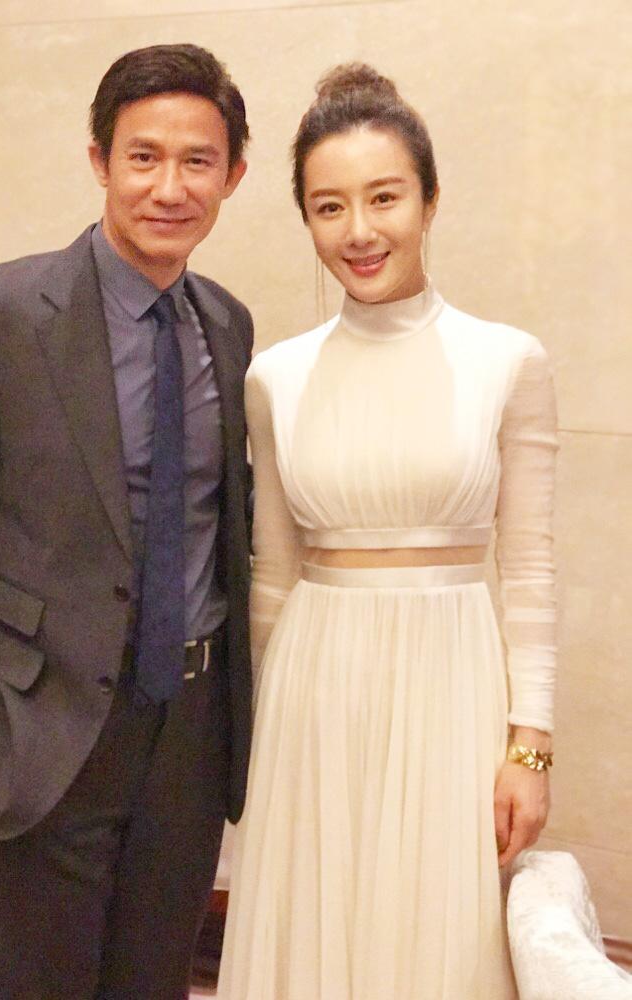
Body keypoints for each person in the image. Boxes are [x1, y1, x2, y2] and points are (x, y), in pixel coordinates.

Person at [0, 43, 253, 1000]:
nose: (169, 187)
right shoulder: (0, 311)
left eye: (198, 160)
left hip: (187, 735)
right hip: (40, 731)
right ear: (100, 160)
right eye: (144, 156)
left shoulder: (226, 324)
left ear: (233, 174)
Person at [218, 64, 558, 1000]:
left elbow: (530, 570)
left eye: (384, 198)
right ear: (306, 219)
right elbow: (272, 575)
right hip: (313, 692)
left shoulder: (508, 361)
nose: (359, 231)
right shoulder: (275, 377)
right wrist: (251, 745)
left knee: (436, 942)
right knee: (312, 934)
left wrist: (530, 747)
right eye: (329, 207)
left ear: (430, 200)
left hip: (455, 687)